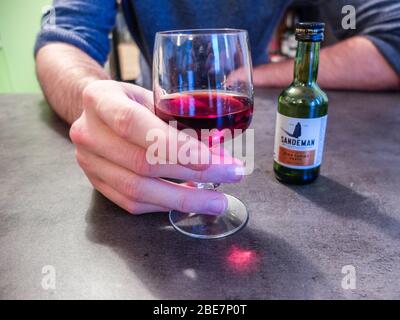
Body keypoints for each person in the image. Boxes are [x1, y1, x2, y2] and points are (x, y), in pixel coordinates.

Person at [35, 0, 400, 215]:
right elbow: (63, 38)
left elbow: (393, 35)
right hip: (156, 111)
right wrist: (96, 97)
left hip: (244, 102)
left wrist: (249, 75)